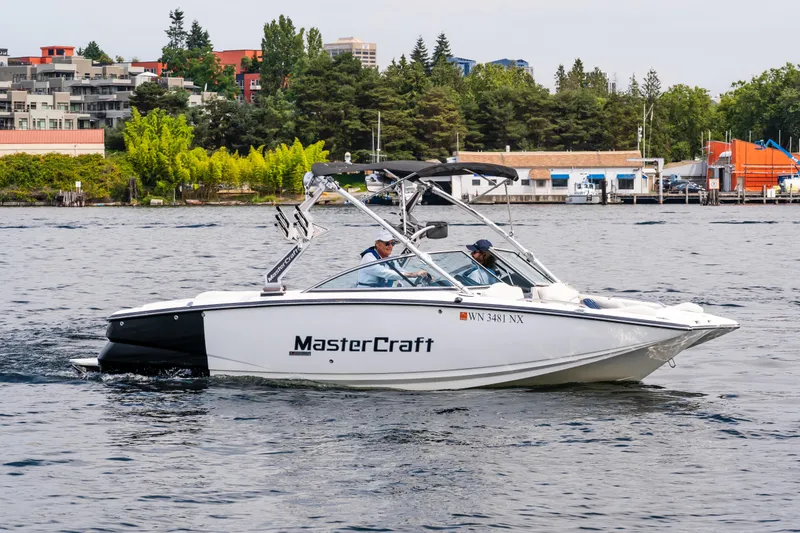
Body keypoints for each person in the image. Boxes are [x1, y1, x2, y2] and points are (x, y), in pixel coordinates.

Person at [357, 229, 429, 287]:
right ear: (377, 243)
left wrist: (421, 279)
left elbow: (400, 271)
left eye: (393, 243)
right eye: (387, 243)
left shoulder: (390, 260)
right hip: (366, 294)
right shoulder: (368, 257)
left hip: (382, 294)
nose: (390, 246)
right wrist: (413, 274)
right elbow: (384, 272)